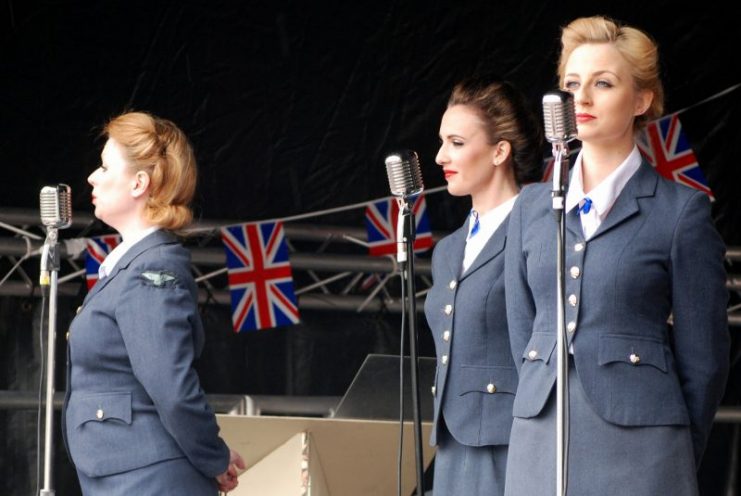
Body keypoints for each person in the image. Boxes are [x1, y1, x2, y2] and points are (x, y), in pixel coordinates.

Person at [503, 16, 729, 495]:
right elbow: (522, 333)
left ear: (642, 99)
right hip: (538, 438)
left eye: (603, 83)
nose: (581, 99)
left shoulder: (679, 212)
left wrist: (676, 454)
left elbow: (704, 359)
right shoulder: (529, 206)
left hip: (643, 447)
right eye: (571, 84)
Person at [62, 111, 245, 494]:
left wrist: (213, 456)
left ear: (139, 183)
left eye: (105, 166)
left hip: (149, 480)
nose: (92, 177)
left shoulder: (151, 269)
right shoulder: (129, 266)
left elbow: (171, 385)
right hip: (127, 474)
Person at [424, 76, 543, 495]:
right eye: (442, 142)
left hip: (513, 441)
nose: (440, 156)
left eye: (456, 142)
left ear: (499, 151)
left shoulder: (539, 226)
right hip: (453, 442)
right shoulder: (448, 249)